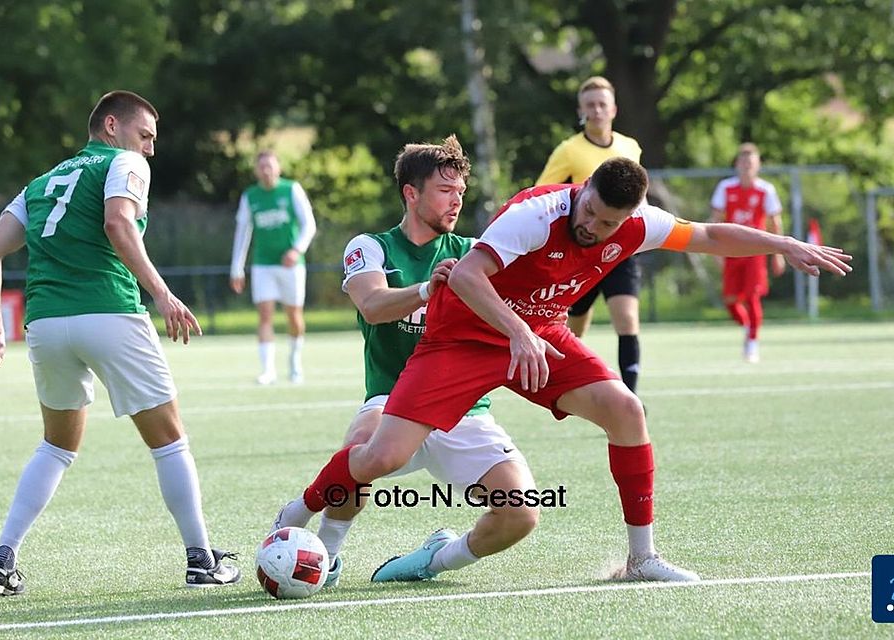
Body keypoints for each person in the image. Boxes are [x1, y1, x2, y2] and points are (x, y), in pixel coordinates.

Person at [276, 157, 851, 584]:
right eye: (590, 211)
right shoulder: (536, 212)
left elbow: (706, 235)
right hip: (467, 335)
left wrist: (783, 242)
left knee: (626, 410)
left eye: (607, 224)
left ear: (628, 219)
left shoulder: (638, 224)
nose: (592, 227)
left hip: (541, 331)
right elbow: (471, 277)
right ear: (583, 192)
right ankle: (298, 512)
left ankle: (641, 559)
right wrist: (518, 332)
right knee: (380, 458)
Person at [0, 90, 240, 595]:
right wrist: (161, 294)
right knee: (169, 439)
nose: (151, 150)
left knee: (55, 445)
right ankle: (201, 558)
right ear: (111, 126)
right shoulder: (124, 162)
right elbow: (118, 222)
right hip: (109, 310)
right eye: (146, 136)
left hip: (46, 325)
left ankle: (2, 560)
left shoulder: (42, 182)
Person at [274, 135, 537, 586]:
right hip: (392, 399)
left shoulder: (473, 254)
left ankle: (431, 560)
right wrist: (425, 290)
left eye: (460, 192)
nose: (456, 201)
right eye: (444, 191)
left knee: (523, 514)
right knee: (359, 441)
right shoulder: (371, 246)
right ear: (411, 193)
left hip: (463, 411)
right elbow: (372, 305)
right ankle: (328, 557)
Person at [536, 76, 644, 394]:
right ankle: (564, 383)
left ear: (613, 109)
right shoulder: (568, 150)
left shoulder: (630, 147)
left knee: (626, 319)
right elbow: (544, 193)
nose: (597, 110)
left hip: (620, 250)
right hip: (581, 251)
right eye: (590, 105)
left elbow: (639, 196)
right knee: (574, 327)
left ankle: (631, 397)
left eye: (602, 104)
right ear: (581, 111)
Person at [230, 151, 317, 384]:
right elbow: (243, 232)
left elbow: (309, 224)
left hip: (291, 265)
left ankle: (294, 363)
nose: (266, 170)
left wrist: (297, 250)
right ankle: (268, 370)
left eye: (270, 166)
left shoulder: (291, 190)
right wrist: (236, 268)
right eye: (262, 167)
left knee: (294, 315)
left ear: (278, 167)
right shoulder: (250, 196)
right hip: (263, 265)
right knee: (265, 315)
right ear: (256, 170)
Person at [710, 143, 785, 363]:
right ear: (737, 164)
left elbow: (775, 223)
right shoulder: (725, 188)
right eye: (743, 162)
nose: (747, 166)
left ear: (758, 165)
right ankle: (748, 329)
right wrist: (714, 250)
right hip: (731, 251)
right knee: (731, 300)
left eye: (751, 162)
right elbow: (715, 220)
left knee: (752, 297)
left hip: (755, 251)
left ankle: (752, 342)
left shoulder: (766, 190)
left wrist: (778, 254)